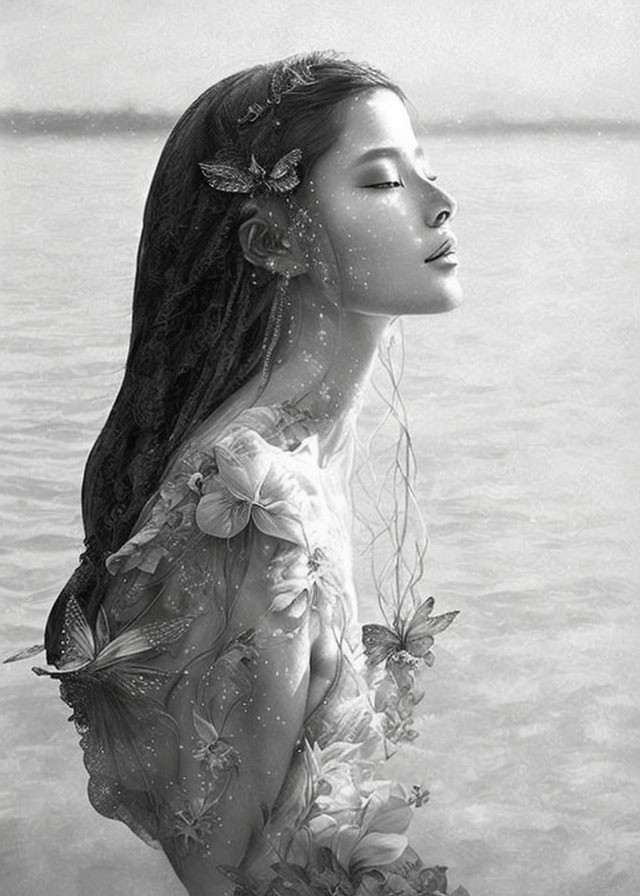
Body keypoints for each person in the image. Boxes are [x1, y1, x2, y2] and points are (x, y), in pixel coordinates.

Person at [32, 52, 467, 895]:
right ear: (270, 242)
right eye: (382, 183)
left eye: (428, 173)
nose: (439, 203)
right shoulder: (253, 505)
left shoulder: (287, 458)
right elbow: (228, 871)